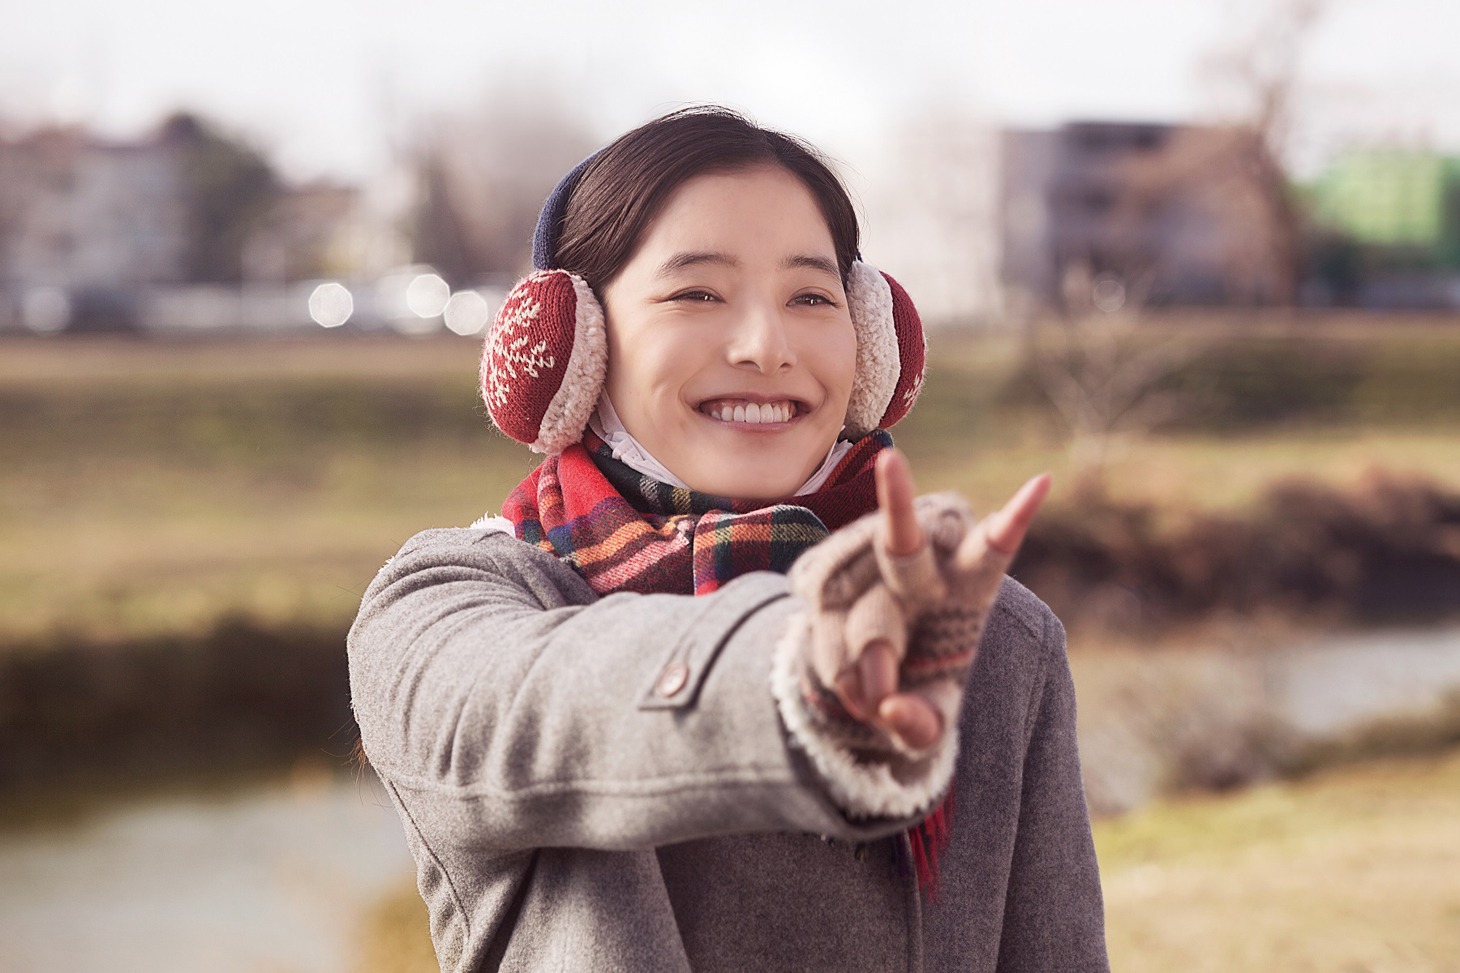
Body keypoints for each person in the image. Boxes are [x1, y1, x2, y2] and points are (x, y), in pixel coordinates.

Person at [348, 106, 1108, 973]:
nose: (765, 345)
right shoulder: (443, 606)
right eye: (696, 293)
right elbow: (537, 702)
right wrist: (809, 675)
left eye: (811, 297)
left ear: (873, 343)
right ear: (574, 346)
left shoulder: (990, 637)